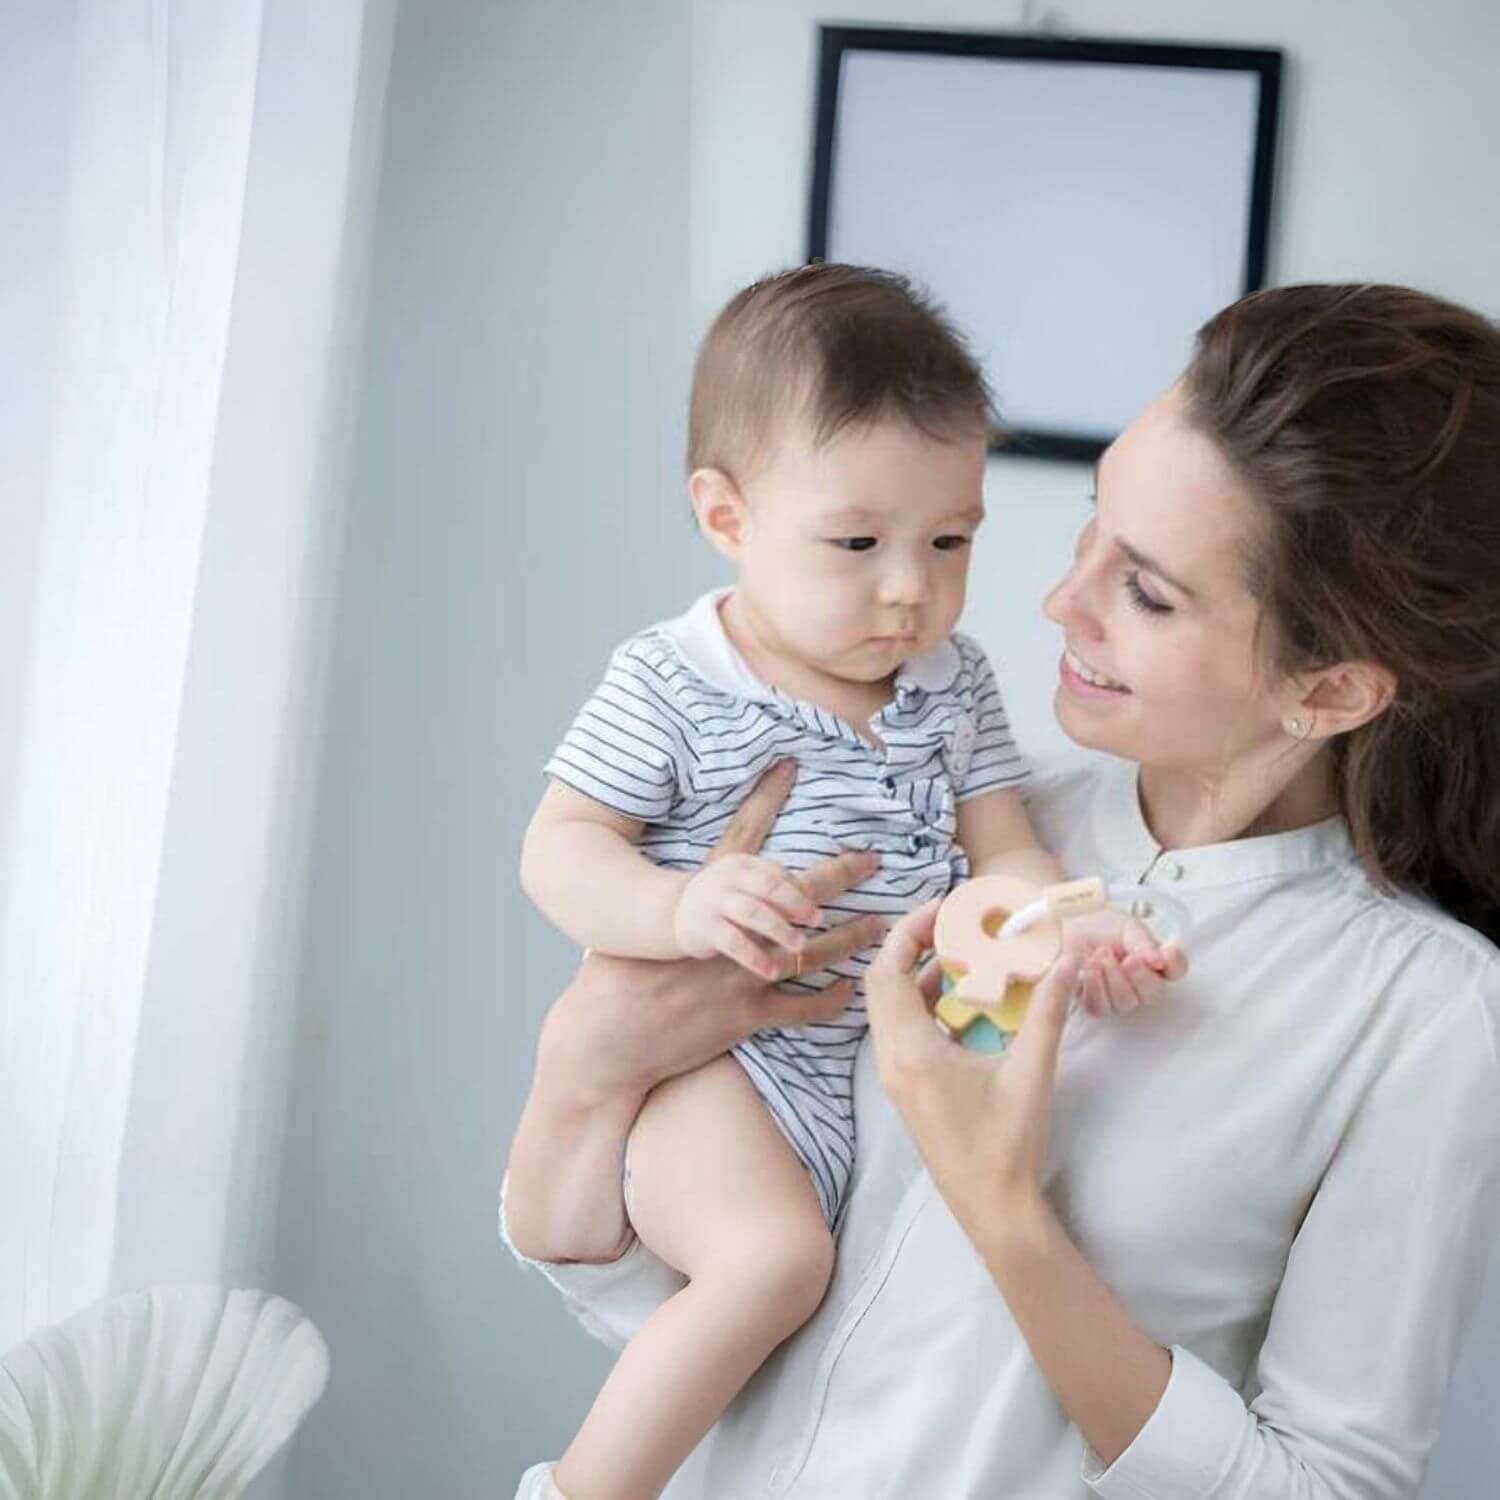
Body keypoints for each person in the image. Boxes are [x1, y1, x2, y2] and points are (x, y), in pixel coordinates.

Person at [504, 281, 1500, 1499]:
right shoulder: (955, 825)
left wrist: (1005, 1215)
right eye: (1092, 530)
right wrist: (581, 1075)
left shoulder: (1423, 1010)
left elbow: (1335, 1489)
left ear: (1333, 692)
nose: (1057, 602)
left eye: (1147, 589)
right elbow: (674, 1303)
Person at [516, 264, 1174, 1500]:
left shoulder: (954, 683)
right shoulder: (677, 681)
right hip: (715, 1069)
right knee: (770, 1268)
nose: (908, 588)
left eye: (949, 541)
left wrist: (1069, 929)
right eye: (858, 543)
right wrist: (675, 909)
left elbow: (1007, 850)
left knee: (866, 1285)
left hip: (861, 1071)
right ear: (726, 517)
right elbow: (559, 847)